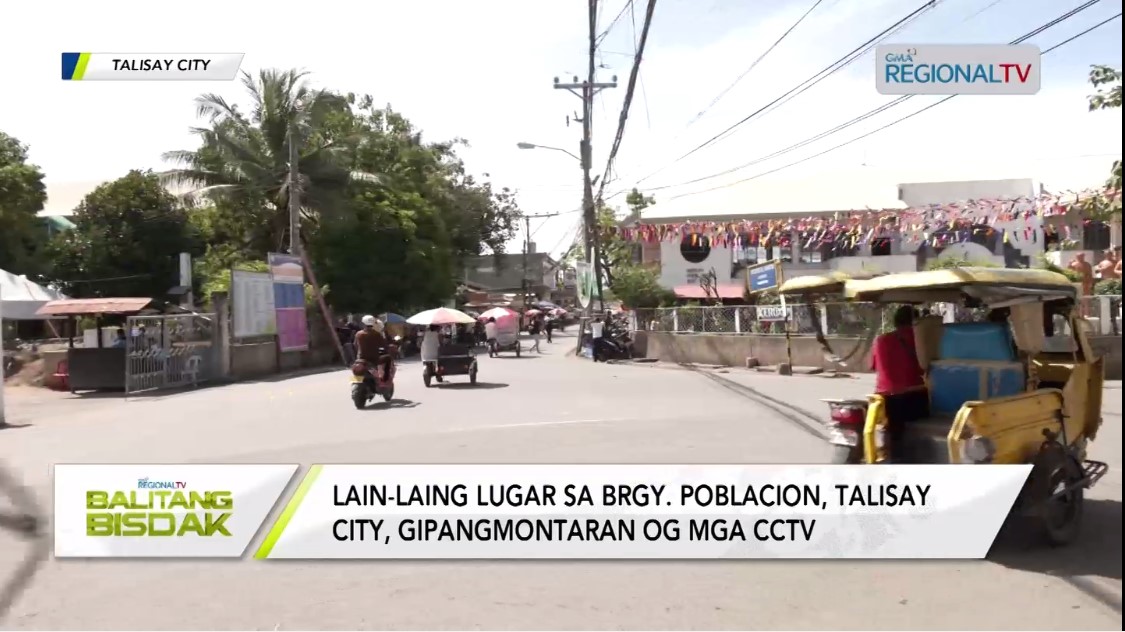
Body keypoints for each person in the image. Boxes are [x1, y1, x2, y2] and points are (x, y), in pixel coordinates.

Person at [870, 306, 924, 396]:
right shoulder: (919, 340)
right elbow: (924, 368)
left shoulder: (880, 340)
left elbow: (872, 366)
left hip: (883, 395)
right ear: (916, 321)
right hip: (913, 394)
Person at [354, 315, 392, 380]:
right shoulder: (376, 334)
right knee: (388, 358)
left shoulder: (358, 334)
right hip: (374, 359)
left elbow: (355, 345)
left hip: (360, 358)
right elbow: (384, 345)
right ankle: (385, 379)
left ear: (363, 323)